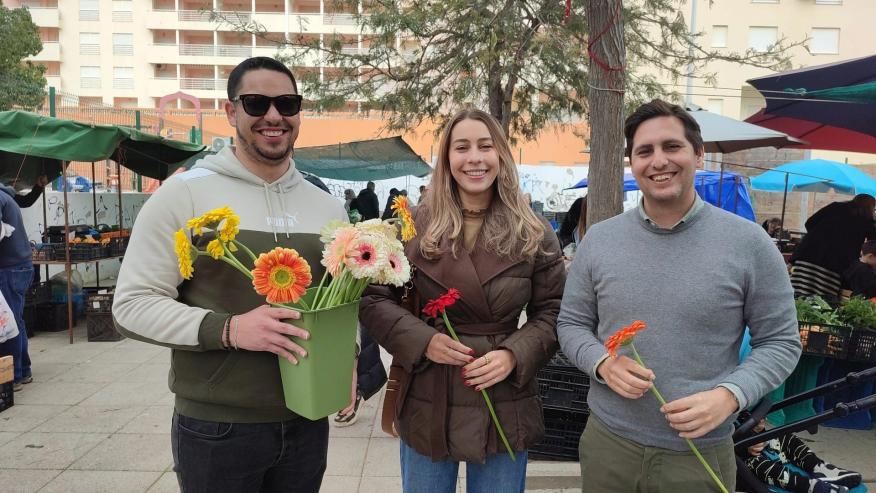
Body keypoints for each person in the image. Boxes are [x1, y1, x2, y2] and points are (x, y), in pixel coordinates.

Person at [112, 56, 348, 493]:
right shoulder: (184, 195)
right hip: (217, 428)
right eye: (256, 103)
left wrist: (347, 361)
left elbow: (341, 303)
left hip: (307, 422)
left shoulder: (327, 207)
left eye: (287, 104)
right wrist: (229, 329)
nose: (274, 116)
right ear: (230, 111)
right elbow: (131, 305)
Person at [557, 100, 801, 493]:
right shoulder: (600, 240)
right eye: (644, 151)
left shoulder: (749, 244)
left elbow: (781, 342)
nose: (659, 161)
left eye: (672, 146)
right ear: (632, 163)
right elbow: (571, 324)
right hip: (609, 446)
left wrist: (731, 395)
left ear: (698, 154)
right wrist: (602, 362)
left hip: (698, 455)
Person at [359, 109, 566, 493]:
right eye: (462, 147)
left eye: (485, 146)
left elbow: (554, 311)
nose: (475, 158)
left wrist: (514, 354)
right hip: (428, 395)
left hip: (504, 398)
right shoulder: (413, 225)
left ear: (501, 154)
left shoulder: (533, 232)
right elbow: (374, 299)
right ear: (447, 158)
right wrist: (423, 340)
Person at [790, 194, 876, 300]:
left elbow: (809, 223)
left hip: (808, 255)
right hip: (834, 263)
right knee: (823, 300)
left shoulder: (836, 206)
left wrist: (820, 238)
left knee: (798, 294)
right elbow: (873, 238)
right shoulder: (866, 219)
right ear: (871, 207)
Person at [744, 419, 860, 493]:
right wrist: (745, 446)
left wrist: (759, 425)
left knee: (786, 437)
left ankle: (818, 468)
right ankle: (811, 487)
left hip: (760, 442)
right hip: (744, 457)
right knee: (763, 467)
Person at [0, 184, 34, 392]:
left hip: (10, 268)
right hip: (19, 266)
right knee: (15, 320)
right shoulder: (6, 196)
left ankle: (14, 375)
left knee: (8, 322)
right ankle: (23, 370)